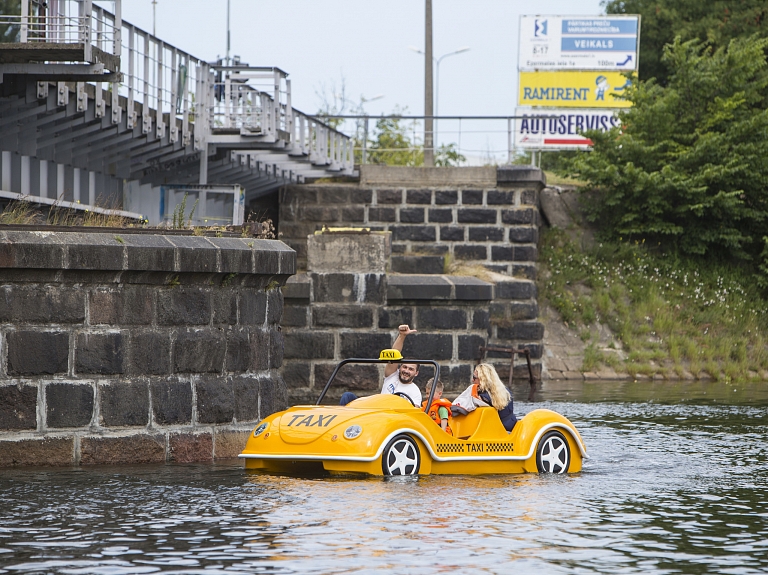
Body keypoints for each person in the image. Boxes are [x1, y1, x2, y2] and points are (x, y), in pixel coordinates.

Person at [340, 324, 422, 406]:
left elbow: (414, 412)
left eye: (411, 369)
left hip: (392, 416)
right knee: (347, 396)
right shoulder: (392, 375)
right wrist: (402, 335)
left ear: (416, 373)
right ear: (400, 367)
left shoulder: (415, 391)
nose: (406, 371)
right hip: (376, 409)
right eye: (404, 367)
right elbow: (394, 354)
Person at [454, 363, 517, 432]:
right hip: (512, 426)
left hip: (496, 430)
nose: (472, 380)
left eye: (474, 377)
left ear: (483, 380)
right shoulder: (507, 392)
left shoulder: (482, 398)